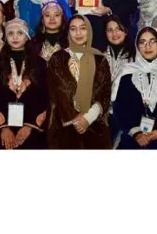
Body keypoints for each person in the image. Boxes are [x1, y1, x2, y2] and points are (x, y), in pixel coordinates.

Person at [46, 15, 112, 149]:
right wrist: (75, 119)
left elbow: (105, 92)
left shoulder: (100, 59)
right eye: (73, 29)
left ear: (89, 31)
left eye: (83, 28)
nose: (78, 33)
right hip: (64, 128)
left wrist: (88, 117)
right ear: (68, 32)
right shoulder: (57, 58)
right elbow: (54, 92)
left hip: (94, 126)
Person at [111, 26, 157, 149]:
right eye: (142, 42)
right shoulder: (126, 72)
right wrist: (136, 133)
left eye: (152, 41)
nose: (147, 46)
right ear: (137, 47)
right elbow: (120, 108)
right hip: (132, 139)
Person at [0, 19, 49, 149]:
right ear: (5, 37)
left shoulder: (39, 63)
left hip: (31, 129)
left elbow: (43, 96)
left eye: (20, 33)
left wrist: (29, 126)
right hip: (1, 129)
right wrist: (4, 128)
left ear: (27, 36)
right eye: (10, 33)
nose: (15, 37)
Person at [103, 15, 136, 145]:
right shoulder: (100, 55)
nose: (114, 33)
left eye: (118, 29)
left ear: (126, 31)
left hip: (127, 114)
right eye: (109, 30)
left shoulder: (136, 57)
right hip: (103, 112)